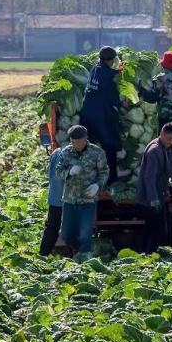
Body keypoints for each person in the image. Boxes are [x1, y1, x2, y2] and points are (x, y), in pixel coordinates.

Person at [55, 125, 109, 258]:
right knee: (66, 233)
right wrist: (69, 171)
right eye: (73, 142)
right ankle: (76, 250)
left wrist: (97, 185)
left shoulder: (97, 152)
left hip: (87, 199)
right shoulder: (66, 152)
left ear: (86, 139)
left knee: (85, 232)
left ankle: (84, 260)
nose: (76, 145)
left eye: (78, 141)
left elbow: (104, 172)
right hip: (69, 198)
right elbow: (58, 171)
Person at [79, 46, 127, 184]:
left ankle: (87, 177)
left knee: (88, 145)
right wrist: (121, 104)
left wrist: (117, 71)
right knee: (109, 146)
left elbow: (107, 73)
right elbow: (113, 95)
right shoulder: (109, 76)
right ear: (111, 60)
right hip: (100, 115)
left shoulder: (95, 69)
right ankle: (112, 178)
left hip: (86, 113)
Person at [136, 123, 172, 253]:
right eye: (169, 139)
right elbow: (149, 177)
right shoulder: (154, 151)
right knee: (154, 229)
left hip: (156, 195)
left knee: (151, 228)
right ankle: (148, 254)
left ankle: (146, 254)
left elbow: (164, 173)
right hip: (149, 198)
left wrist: (171, 186)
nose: (171, 142)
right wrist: (154, 199)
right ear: (161, 134)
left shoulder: (164, 147)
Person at [137, 51, 172, 140]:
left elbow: (152, 98)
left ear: (163, 65)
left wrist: (140, 90)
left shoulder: (160, 79)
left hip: (166, 117)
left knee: (165, 144)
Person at [39, 146, 64, 256]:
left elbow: (48, 172)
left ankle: (43, 255)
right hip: (69, 199)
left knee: (52, 226)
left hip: (55, 198)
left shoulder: (56, 152)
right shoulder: (72, 154)